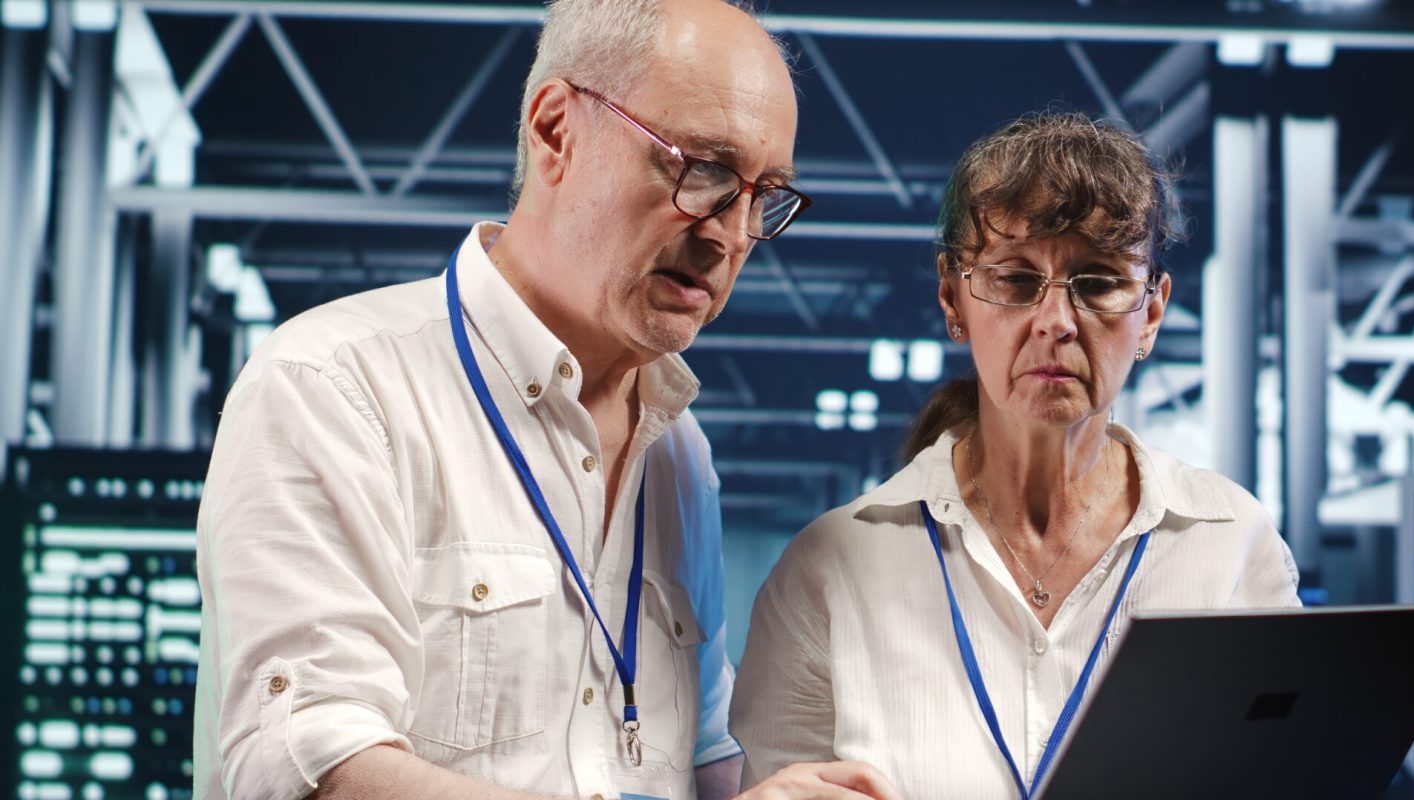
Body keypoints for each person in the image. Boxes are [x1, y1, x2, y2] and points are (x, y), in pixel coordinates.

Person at [192, 2, 897, 799]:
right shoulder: (336, 389)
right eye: (703, 170)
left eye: (762, 197)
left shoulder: (679, 453)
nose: (731, 233)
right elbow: (313, 771)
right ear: (556, 129)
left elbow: (696, 755)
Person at [729, 111, 1303, 799]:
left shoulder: (1228, 545)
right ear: (953, 298)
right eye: (1014, 279)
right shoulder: (832, 572)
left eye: (1098, 283)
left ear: (1150, 313)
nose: (1056, 322)